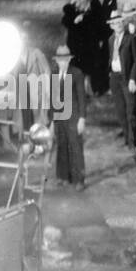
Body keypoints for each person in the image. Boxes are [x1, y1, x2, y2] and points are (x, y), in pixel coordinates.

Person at [108, 6, 136, 150]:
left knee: (131, 112)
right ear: (112, 26)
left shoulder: (130, 38)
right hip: (115, 78)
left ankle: (133, 143)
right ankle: (128, 139)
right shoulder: (111, 39)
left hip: (127, 78)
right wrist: (111, 74)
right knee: (121, 112)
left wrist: (133, 79)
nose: (118, 25)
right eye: (115, 23)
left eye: (120, 22)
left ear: (123, 23)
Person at [51, 44, 87, 190]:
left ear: (69, 60)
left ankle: (79, 180)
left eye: (65, 60)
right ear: (57, 61)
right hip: (59, 117)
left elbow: (82, 97)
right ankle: (63, 176)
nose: (63, 62)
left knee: (75, 147)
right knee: (61, 145)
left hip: (73, 116)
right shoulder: (54, 73)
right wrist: (53, 121)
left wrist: (82, 119)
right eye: (60, 60)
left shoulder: (77, 73)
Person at [61, 0, 95, 88]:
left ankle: (86, 87)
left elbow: (94, 23)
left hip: (86, 41)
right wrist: (75, 21)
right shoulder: (73, 6)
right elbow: (65, 21)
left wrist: (84, 19)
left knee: (86, 64)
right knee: (73, 63)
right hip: (74, 40)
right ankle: (71, 86)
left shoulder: (91, 6)